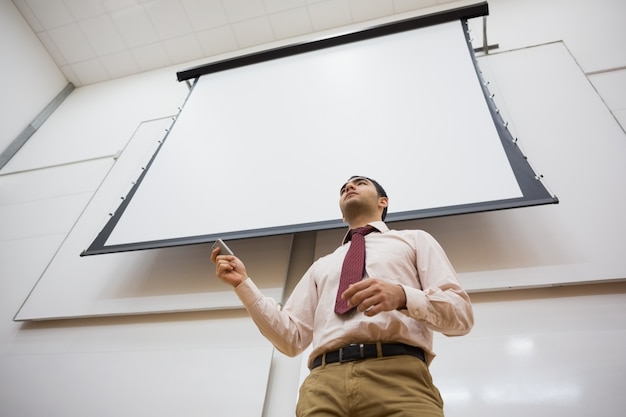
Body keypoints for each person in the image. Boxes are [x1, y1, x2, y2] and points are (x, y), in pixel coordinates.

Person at [211, 175, 474, 417]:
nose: (349, 187)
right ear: (341, 216)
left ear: (383, 201)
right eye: (344, 188)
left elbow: (461, 315)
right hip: (322, 386)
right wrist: (243, 284)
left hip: (399, 376)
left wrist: (403, 296)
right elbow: (290, 338)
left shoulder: (415, 241)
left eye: (359, 183)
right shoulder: (321, 265)